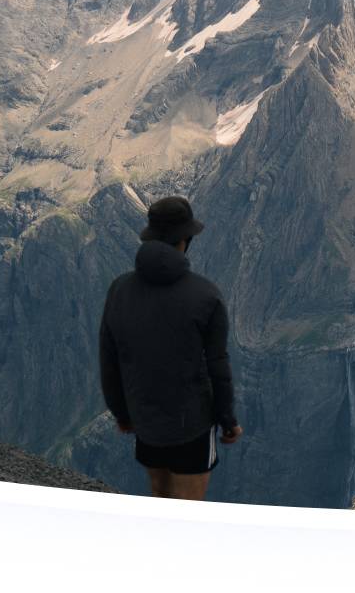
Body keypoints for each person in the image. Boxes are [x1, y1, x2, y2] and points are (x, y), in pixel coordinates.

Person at [99, 195, 241, 500]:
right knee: (188, 518)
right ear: (185, 239)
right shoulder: (206, 295)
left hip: (145, 422)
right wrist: (227, 420)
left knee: (159, 503)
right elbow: (218, 365)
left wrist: (123, 414)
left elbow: (109, 360)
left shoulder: (120, 290)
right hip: (193, 427)